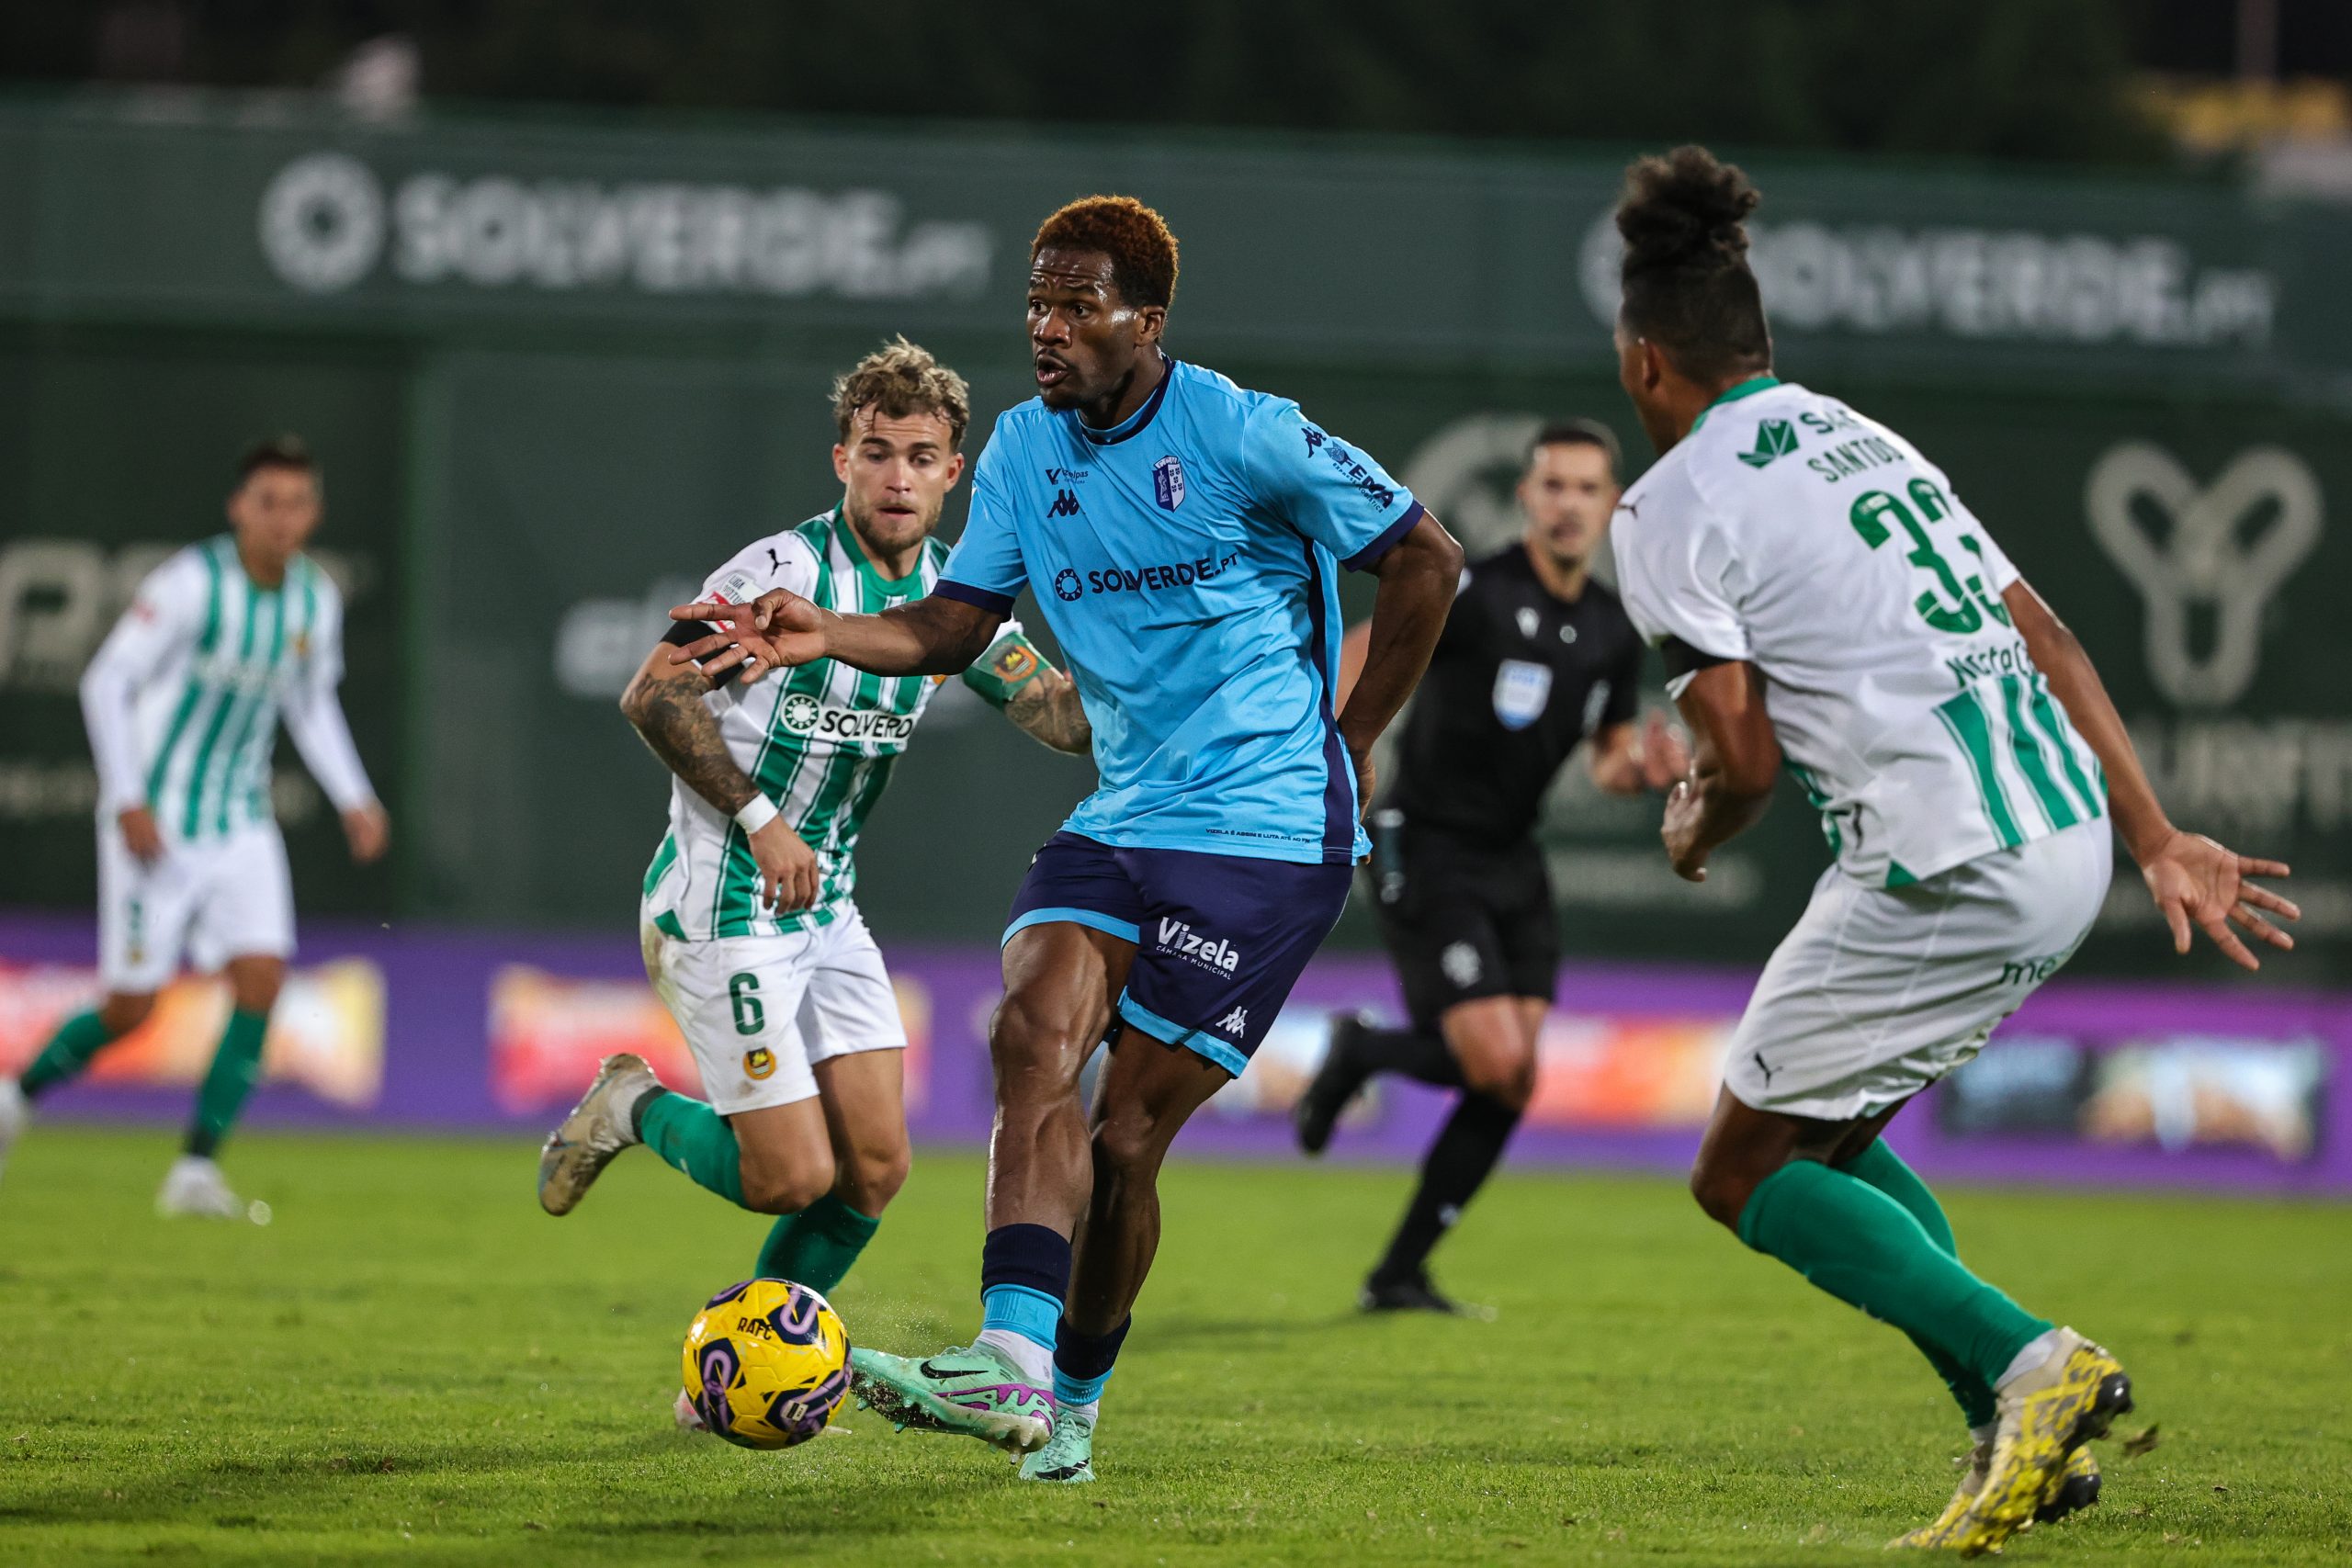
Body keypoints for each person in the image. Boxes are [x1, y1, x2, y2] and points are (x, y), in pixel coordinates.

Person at [671, 195, 1463, 1483]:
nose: (1046, 327)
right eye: (1035, 302)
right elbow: (953, 625)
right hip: (1127, 808)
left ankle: (1075, 1399)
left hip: (1264, 827)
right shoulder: (1026, 453)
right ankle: (1009, 1358)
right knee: (1026, 1030)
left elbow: (1429, 558)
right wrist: (822, 628)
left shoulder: (1242, 430)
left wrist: (1349, 742)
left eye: (1076, 304)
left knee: (1126, 1135)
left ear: (1145, 320)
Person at [1603, 146, 2298, 1554]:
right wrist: (2152, 827)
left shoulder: (1668, 507)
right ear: (1763, 343)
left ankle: (2034, 1362)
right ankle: (2016, 1428)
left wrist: (1690, 822)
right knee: (1832, 1137)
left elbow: (1740, 759)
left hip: (1942, 857)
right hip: (2062, 835)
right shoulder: (1867, 437)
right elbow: (2043, 633)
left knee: (1739, 1170)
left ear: (1642, 363)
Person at [533, 341, 1091, 1434]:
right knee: (788, 1175)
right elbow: (652, 693)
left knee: (875, 1170)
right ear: (842, 458)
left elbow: (1054, 713)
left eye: (919, 457)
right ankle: (630, 1102)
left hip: (825, 907)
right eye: (875, 452)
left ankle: (738, 1381)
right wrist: (759, 817)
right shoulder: (774, 576)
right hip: (725, 900)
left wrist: (1172, 701)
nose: (895, 476)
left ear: (951, 475)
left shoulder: (948, 601)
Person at [1295, 418, 1686, 1314]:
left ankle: (1399, 1272)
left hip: (1512, 858)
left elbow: (1609, 759)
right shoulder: (1472, 587)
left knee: (1510, 1080)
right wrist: (1346, 745)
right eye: (1553, 486)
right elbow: (1359, 654)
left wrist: (1648, 771)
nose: (1569, 505)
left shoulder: (1608, 628)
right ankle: (1360, 1049)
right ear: (1526, 497)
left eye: (1588, 489)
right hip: (1423, 839)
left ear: (1612, 504)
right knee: (1496, 1057)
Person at [0, 437, 390, 1215]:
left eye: (297, 503)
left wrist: (356, 796)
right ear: (239, 507)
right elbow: (108, 678)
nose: (282, 518)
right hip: (159, 819)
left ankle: (195, 1172)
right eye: (267, 502)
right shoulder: (190, 585)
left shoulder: (314, 599)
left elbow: (309, 703)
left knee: (263, 979)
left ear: (313, 512)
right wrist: (128, 795)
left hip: (242, 819)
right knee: (131, 1006)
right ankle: (17, 1095)